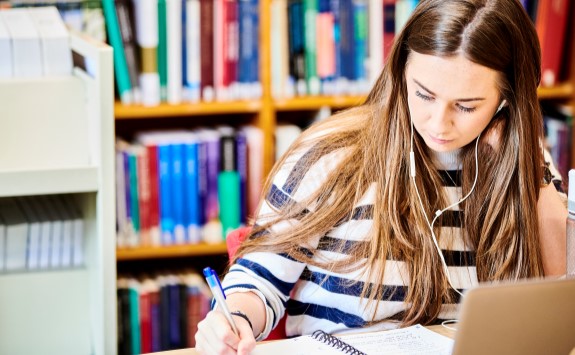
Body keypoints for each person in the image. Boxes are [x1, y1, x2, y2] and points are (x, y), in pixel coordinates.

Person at [195, 0, 568, 353]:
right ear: (402, 69)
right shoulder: (332, 155)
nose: (438, 124)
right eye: (423, 94)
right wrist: (235, 320)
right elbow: (259, 281)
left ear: (508, 100)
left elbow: (559, 298)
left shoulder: (524, 164)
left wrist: (528, 167)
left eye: (466, 106)